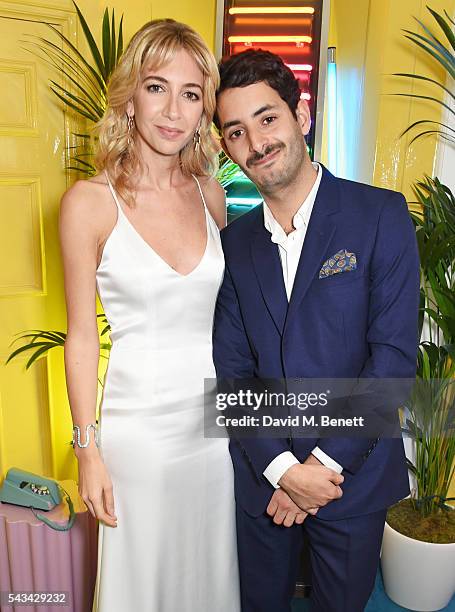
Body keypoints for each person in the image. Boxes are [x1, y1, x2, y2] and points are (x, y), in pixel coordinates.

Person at [213, 49, 420, 612]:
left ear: (301, 117)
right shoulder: (234, 244)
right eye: (236, 131)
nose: (256, 142)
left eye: (267, 118)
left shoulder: (380, 215)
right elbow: (232, 373)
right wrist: (282, 470)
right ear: (226, 147)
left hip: (349, 480)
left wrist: (320, 468)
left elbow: (394, 358)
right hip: (264, 483)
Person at [59, 19, 240, 612]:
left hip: (214, 431)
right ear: (130, 97)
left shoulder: (210, 194)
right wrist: (89, 450)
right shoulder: (90, 203)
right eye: (157, 86)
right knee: (141, 583)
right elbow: (82, 338)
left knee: (207, 574)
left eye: (192, 94)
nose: (173, 110)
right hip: (137, 433)